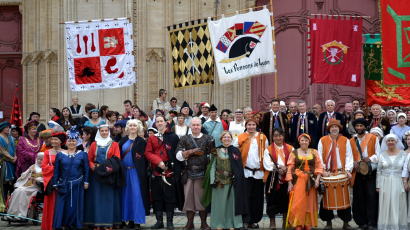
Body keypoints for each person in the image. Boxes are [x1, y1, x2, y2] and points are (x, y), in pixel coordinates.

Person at [175, 117, 214, 230]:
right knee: (188, 199)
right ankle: (190, 223)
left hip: (203, 173)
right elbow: (178, 156)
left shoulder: (209, 138)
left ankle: (203, 223)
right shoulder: (184, 138)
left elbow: (212, 157)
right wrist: (190, 152)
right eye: (193, 125)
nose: (196, 127)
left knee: (202, 199)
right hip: (188, 173)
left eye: (198, 125)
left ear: (201, 126)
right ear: (190, 126)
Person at [145, 115, 183, 230]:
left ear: (166, 123)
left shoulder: (173, 136)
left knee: (170, 197)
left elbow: (177, 153)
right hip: (156, 172)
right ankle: (159, 221)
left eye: (161, 121)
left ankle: (170, 222)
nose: (160, 123)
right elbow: (148, 153)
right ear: (155, 124)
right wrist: (158, 161)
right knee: (157, 197)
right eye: (157, 122)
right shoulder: (151, 138)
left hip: (169, 172)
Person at [205, 131, 247, 229]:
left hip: (232, 181)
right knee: (219, 204)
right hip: (219, 181)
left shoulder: (235, 151)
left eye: (228, 137)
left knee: (231, 205)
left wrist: (237, 178)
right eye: (224, 137)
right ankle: (219, 224)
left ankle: (231, 224)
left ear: (231, 139)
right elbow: (213, 166)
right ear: (221, 139)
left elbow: (238, 167)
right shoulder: (216, 150)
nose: (227, 138)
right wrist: (212, 180)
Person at [84, 125, 122, 229]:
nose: (104, 132)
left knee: (108, 200)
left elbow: (116, 159)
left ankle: (109, 223)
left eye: (106, 131)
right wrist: (94, 168)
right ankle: (96, 222)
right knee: (96, 199)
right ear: (99, 132)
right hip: (95, 176)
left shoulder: (114, 144)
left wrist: (106, 170)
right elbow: (89, 159)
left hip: (109, 176)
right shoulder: (94, 144)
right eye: (102, 131)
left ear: (108, 132)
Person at [317, 119, 353, 230]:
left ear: (339, 128)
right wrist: (323, 170)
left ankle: (346, 222)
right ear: (329, 129)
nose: (334, 129)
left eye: (336, 127)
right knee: (327, 199)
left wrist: (348, 170)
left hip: (341, 172)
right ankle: (328, 222)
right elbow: (319, 156)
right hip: (327, 172)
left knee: (344, 198)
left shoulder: (345, 140)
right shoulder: (323, 140)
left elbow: (349, 156)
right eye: (332, 127)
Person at [234, 116, 268, 229]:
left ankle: (254, 220)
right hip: (246, 172)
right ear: (246, 126)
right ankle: (245, 220)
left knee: (257, 198)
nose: (251, 127)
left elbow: (267, 154)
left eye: (253, 125)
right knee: (245, 197)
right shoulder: (240, 137)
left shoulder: (263, 137)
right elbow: (234, 153)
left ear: (256, 126)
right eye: (249, 125)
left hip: (259, 172)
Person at [53, 127, 89, 229]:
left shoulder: (83, 154)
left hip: (78, 183)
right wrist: (55, 183)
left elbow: (86, 170)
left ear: (77, 142)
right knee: (64, 204)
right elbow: (56, 171)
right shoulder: (60, 155)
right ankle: (64, 224)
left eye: (73, 141)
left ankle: (76, 223)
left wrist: (86, 182)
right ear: (66, 142)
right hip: (64, 183)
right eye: (69, 141)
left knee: (76, 205)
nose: (71, 143)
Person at [286, 134, 323, 230]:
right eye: (302, 140)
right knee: (299, 202)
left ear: (309, 142)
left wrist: (318, 180)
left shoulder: (314, 152)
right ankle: (298, 223)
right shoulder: (294, 153)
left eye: (306, 140)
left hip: (311, 181)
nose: (304, 142)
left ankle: (306, 223)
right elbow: (290, 168)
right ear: (299, 142)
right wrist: (289, 183)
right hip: (298, 181)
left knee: (309, 203)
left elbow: (319, 166)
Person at [118, 119, 150, 229]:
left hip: (136, 172)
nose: (132, 127)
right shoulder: (122, 141)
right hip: (124, 172)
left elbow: (145, 158)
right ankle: (129, 220)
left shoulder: (141, 142)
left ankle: (137, 221)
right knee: (126, 196)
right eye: (130, 125)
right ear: (127, 127)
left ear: (138, 128)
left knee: (137, 196)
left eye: (134, 126)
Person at [350, 118, 380, 230]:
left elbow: (378, 155)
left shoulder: (373, 138)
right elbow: (348, 157)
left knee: (372, 197)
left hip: (370, 172)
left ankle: (372, 222)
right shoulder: (351, 140)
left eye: (361, 126)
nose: (359, 128)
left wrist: (370, 158)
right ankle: (362, 223)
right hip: (357, 172)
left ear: (365, 127)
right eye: (357, 126)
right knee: (359, 198)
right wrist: (353, 163)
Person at [263, 127, 293, 229]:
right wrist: (279, 167)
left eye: (280, 135)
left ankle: (285, 222)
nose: (278, 137)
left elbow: (293, 162)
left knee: (285, 200)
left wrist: (286, 169)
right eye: (275, 135)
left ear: (283, 136)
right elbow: (267, 164)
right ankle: (272, 223)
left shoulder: (290, 148)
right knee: (271, 200)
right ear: (272, 137)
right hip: (272, 178)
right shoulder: (268, 150)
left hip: (286, 177)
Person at [375, 134, 407, 230]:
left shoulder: (403, 154)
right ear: (386, 143)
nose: (390, 142)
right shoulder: (382, 154)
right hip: (385, 182)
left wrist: (406, 182)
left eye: (392, 140)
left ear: (396, 142)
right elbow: (379, 171)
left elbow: (406, 170)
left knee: (399, 204)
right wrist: (378, 185)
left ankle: (398, 225)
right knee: (385, 203)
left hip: (399, 182)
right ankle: (386, 225)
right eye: (388, 141)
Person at [4, 152, 43, 221]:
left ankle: (21, 214)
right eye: (39, 159)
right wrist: (30, 172)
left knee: (23, 191)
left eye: (42, 159)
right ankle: (11, 213)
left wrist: (35, 179)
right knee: (17, 190)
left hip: (36, 187)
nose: (40, 161)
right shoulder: (33, 166)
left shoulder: (46, 169)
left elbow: (44, 180)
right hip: (26, 185)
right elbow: (23, 175)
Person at [41, 131, 66, 230]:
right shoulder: (47, 152)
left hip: (62, 180)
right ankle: (50, 224)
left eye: (56, 139)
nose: (53, 141)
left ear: (61, 141)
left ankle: (61, 223)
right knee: (51, 203)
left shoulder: (65, 152)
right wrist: (56, 170)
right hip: (51, 181)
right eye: (53, 139)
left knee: (62, 202)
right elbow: (44, 166)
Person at [0, 122, 17, 204]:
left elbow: (14, 149)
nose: (8, 129)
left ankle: (11, 205)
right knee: (4, 185)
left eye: (9, 127)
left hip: (12, 163)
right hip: (4, 164)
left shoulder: (11, 138)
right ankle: (3, 205)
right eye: (6, 127)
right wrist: (11, 158)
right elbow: (2, 151)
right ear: (2, 128)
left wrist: (15, 157)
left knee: (12, 186)